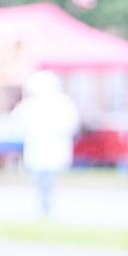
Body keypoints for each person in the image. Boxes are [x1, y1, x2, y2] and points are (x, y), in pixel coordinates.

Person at [12, 70, 79, 219]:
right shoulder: (54, 103)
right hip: (41, 148)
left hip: (49, 148)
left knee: (47, 179)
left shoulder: (58, 103)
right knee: (42, 179)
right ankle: (45, 207)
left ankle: (47, 208)